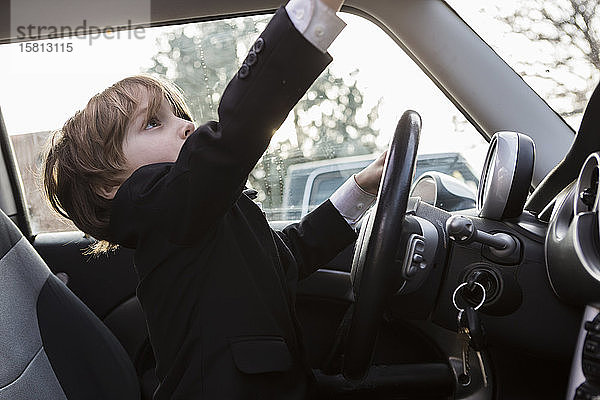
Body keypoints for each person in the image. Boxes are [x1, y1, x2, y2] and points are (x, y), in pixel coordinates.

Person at [42, 0, 387, 398]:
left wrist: (361, 189)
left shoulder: (199, 214)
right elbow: (233, 140)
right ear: (109, 185)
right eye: (154, 123)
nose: (187, 124)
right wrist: (308, 17)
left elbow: (288, 255)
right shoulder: (155, 207)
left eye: (177, 114)